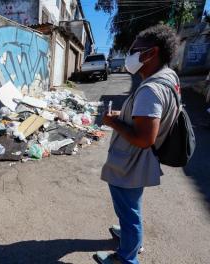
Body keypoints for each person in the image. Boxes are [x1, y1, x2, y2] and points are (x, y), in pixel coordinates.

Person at [95, 25, 180, 264]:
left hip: (130, 162)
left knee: (128, 210)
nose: (130, 54)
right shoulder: (168, 77)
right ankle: (131, 236)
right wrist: (127, 114)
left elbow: (144, 138)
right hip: (139, 161)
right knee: (132, 205)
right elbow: (149, 117)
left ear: (151, 53)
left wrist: (112, 122)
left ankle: (127, 257)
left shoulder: (150, 90)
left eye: (134, 50)